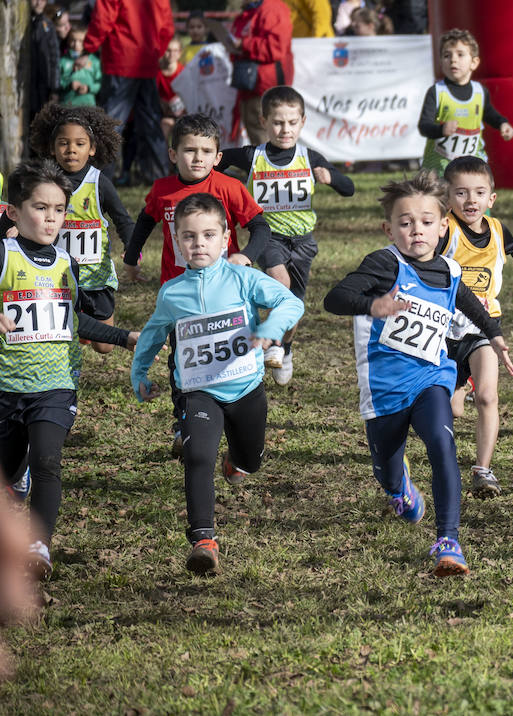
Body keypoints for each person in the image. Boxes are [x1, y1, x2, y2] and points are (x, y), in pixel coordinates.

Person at [323, 172, 513, 576]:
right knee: (387, 471)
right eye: (405, 223)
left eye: (427, 221)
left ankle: (449, 540)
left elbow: (470, 306)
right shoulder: (383, 263)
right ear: (389, 228)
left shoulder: (449, 269)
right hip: (385, 391)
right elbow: (334, 298)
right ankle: (399, 488)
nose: (416, 231)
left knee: (442, 446)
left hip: (431, 379)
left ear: (443, 225)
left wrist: (494, 336)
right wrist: (372, 305)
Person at [130, 194, 303, 575]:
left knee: (251, 461)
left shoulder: (242, 278)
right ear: (176, 241)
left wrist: (271, 328)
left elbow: (291, 304)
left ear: (226, 238)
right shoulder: (172, 293)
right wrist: (139, 372)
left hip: (245, 389)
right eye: (189, 236)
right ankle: (203, 541)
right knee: (196, 458)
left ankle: (237, 460)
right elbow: (153, 334)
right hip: (199, 392)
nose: (199, 243)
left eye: (209, 235)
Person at [0, 160, 136, 579]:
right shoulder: (3, 255)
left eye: (59, 209)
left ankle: (39, 546)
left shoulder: (65, 263)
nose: (51, 218)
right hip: (5, 387)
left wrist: (125, 337)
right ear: (13, 211)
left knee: (48, 461)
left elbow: (77, 321)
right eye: (40, 208)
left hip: (55, 386)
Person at [121, 114, 271, 453]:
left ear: (218, 157)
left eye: (206, 151)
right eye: (189, 150)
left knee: (229, 357)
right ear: (173, 154)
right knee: (182, 361)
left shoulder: (230, 188)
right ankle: (184, 423)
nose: (198, 158)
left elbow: (261, 227)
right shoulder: (162, 190)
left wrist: (246, 255)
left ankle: (236, 418)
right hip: (181, 294)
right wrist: (131, 260)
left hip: (226, 294)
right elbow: (144, 223)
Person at [218, 86, 355, 385]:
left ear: (303, 122)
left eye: (292, 122)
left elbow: (349, 188)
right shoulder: (253, 156)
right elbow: (220, 158)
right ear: (264, 120)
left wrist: (331, 178)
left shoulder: (310, 157)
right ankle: (271, 340)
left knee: (295, 304)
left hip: (303, 242)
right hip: (268, 235)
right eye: (278, 122)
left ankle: (285, 345)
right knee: (281, 281)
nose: (285, 129)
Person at [437, 156, 513, 490]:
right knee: (454, 411)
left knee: (489, 398)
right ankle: (463, 384)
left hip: (484, 328)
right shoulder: (444, 230)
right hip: (442, 331)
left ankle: (482, 471)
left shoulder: (497, 230)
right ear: (447, 198)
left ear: (491, 199)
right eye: (460, 193)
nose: (470, 200)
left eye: (478, 193)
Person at [17, 106, 133, 359]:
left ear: (91, 149)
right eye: (63, 143)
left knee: (104, 346)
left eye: (79, 144)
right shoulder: (45, 183)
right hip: (58, 275)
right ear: (51, 148)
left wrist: (132, 249)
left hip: (96, 277)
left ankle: (85, 328)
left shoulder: (99, 181)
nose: (71, 150)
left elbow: (123, 219)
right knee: (64, 337)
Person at [82, 0, 174, 184]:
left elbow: (101, 22)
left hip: (120, 64)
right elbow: (166, 28)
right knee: (151, 121)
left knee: (112, 122)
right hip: (147, 65)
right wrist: (156, 52)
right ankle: (157, 176)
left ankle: (101, 177)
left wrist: (88, 47)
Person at [418, 29, 513, 171]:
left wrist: (502, 123)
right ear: (441, 62)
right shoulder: (436, 92)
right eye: (446, 55)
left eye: (460, 54)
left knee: (474, 191)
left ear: (474, 62)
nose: (453, 59)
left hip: (473, 166)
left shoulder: (479, 92)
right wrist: (441, 129)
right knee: (439, 193)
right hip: (439, 169)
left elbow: (489, 113)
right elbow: (424, 126)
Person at [225, 0, 294, 145]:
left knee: (262, 127)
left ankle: (271, 169)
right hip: (249, 80)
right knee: (252, 125)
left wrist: (243, 44)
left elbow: (276, 47)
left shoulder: (274, 9)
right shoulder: (248, 10)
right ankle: (261, 169)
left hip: (265, 81)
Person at [20, 0, 60, 126]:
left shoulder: (47, 26)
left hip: (43, 87)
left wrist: (55, 89)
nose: (38, 3)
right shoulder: (19, 22)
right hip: (24, 85)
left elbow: (54, 58)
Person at [58, 24, 101, 108]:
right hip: (67, 105)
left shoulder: (94, 61)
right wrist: (69, 84)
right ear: (68, 41)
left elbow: (100, 83)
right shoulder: (63, 61)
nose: (76, 45)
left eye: (81, 41)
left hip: (88, 107)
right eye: (73, 40)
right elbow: (57, 81)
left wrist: (89, 88)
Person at [156, 38, 186, 142]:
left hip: (184, 115)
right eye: (168, 50)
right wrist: (161, 101)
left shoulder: (183, 72)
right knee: (165, 124)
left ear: (180, 53)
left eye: (175, 51)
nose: (171, 54)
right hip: (165, 115)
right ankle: (164, 157)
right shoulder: (158, 73)